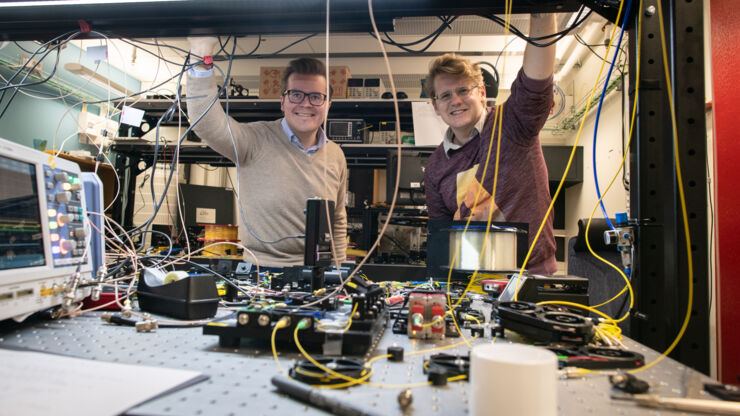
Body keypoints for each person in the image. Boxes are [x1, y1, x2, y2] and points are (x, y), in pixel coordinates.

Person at [186, 37, 347, 268]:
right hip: (261, 270)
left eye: (316, 97)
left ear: (328, 105)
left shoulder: (335, 154)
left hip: (318, 272)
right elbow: (206, 124)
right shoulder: (255, 140)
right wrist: (202, 54)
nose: (306, 104)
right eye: (296, 95)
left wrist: (339, 275)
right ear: (282, 102)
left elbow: (338, 221)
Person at [423, 14, 557, 275]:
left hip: (532, 275)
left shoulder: (513, 123)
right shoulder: (436, 167)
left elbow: (536, 82)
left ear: (482, 93)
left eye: (464, 90)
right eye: (446, 95)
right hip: (472, 281)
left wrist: (543, 11)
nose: (456, 100)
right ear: (436, 106)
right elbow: (440, 235)